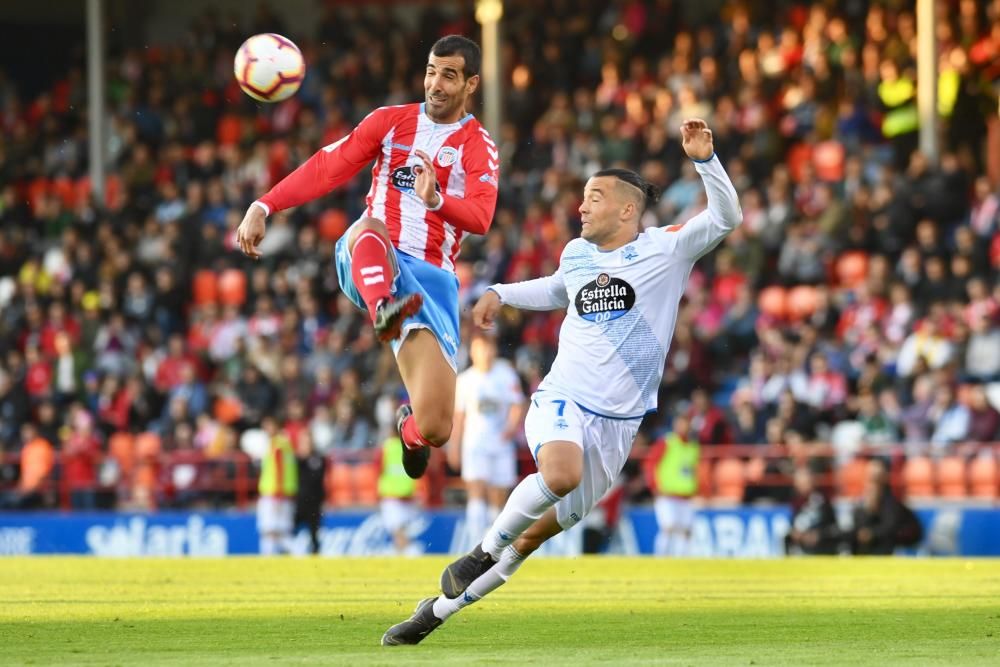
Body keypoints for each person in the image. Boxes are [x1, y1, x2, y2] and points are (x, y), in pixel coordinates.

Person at [382, 118, 742, 645]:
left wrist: (705, 161)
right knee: (560, 472)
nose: (581, 206)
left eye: (593, 197)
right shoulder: (577, 254)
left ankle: (434, 612)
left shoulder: (666, 249)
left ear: (626, 208)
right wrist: (501, 293)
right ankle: (482, 548)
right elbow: (557, 288)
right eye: (582, 197)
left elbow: (727, 217)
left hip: (619, 425)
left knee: (527, 542)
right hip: (564, 398)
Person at [236, 35, 499, 481]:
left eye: (449, 76)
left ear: (470, 84)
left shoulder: (478, 144)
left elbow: (481, 215)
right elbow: (328, 165)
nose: (435, 83)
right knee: (368, 226)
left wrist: (436, 200)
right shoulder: (390, 121)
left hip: (432, 280)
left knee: (437, 426)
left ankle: (409, 431)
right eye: (432, 71)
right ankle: (384, 310)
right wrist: (265, 205)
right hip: (373, 256)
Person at [450, 329, 525, 550]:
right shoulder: (465, 380)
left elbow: (517, 404)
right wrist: (454, 445)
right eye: (479, 348)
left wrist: (511, 428)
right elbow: (459, 416)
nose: (485, 352)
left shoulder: (506, 374)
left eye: (488, 347)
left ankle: (495, 545)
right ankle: (475, 543)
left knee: (498, 494)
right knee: (476, 490)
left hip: (501, 443)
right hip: (474, 444)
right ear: (473, 351)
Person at [644, 414, 700, 557]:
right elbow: (650, 464)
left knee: (686, 531)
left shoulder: (693, 446)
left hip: (685, 497)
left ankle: (682, 561)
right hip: (667, 495)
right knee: (668, 528)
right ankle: (661, 559)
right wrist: (654, 486)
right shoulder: (667, 442)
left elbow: (693, 470)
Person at [850, 458, 922, 555]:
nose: (872, 482)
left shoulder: (892, 501)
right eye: (870, 478)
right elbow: (859, 526)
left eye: (876, 478)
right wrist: (869, 510)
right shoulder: (861, 501)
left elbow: (891, 528)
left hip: (895, 542)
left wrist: (872, 534)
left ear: (885, 477)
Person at [375, 425, 421, 556]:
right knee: (402, 531)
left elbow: (378, 470)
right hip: (408, 494)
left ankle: (413, 554)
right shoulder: (411, 446)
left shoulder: (386, 447)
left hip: (391, 496)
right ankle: (402, 555)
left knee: (397, 531)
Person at [256, 417, 299, 555]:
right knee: (281, 532)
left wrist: (278, 495)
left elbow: (279, 470)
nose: (266, 429)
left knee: (269, 531)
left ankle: (267, 562)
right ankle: (296, 555)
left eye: (268, 425)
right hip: (283, 493)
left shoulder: (277, 445)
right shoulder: (285, 444)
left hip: (274, 494)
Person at [785, 466, 841, 555]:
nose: (801, 485)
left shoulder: (823, 501)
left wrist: (818, 535)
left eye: (804, 482)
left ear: (812, 482)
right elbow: (793, 525)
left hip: (821, 548)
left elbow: (834, 528)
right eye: (799, 482)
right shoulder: (794, 502)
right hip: (800, 548)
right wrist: (795, 533)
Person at [294, 431, 327, 555]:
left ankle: (315, 558)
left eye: (307, 442)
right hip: (298, 503)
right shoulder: (295, 460)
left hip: (314, 503)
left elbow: (316, 477)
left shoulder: (318, 459)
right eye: (303, 443)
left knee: (314, 535)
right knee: (288, 532)